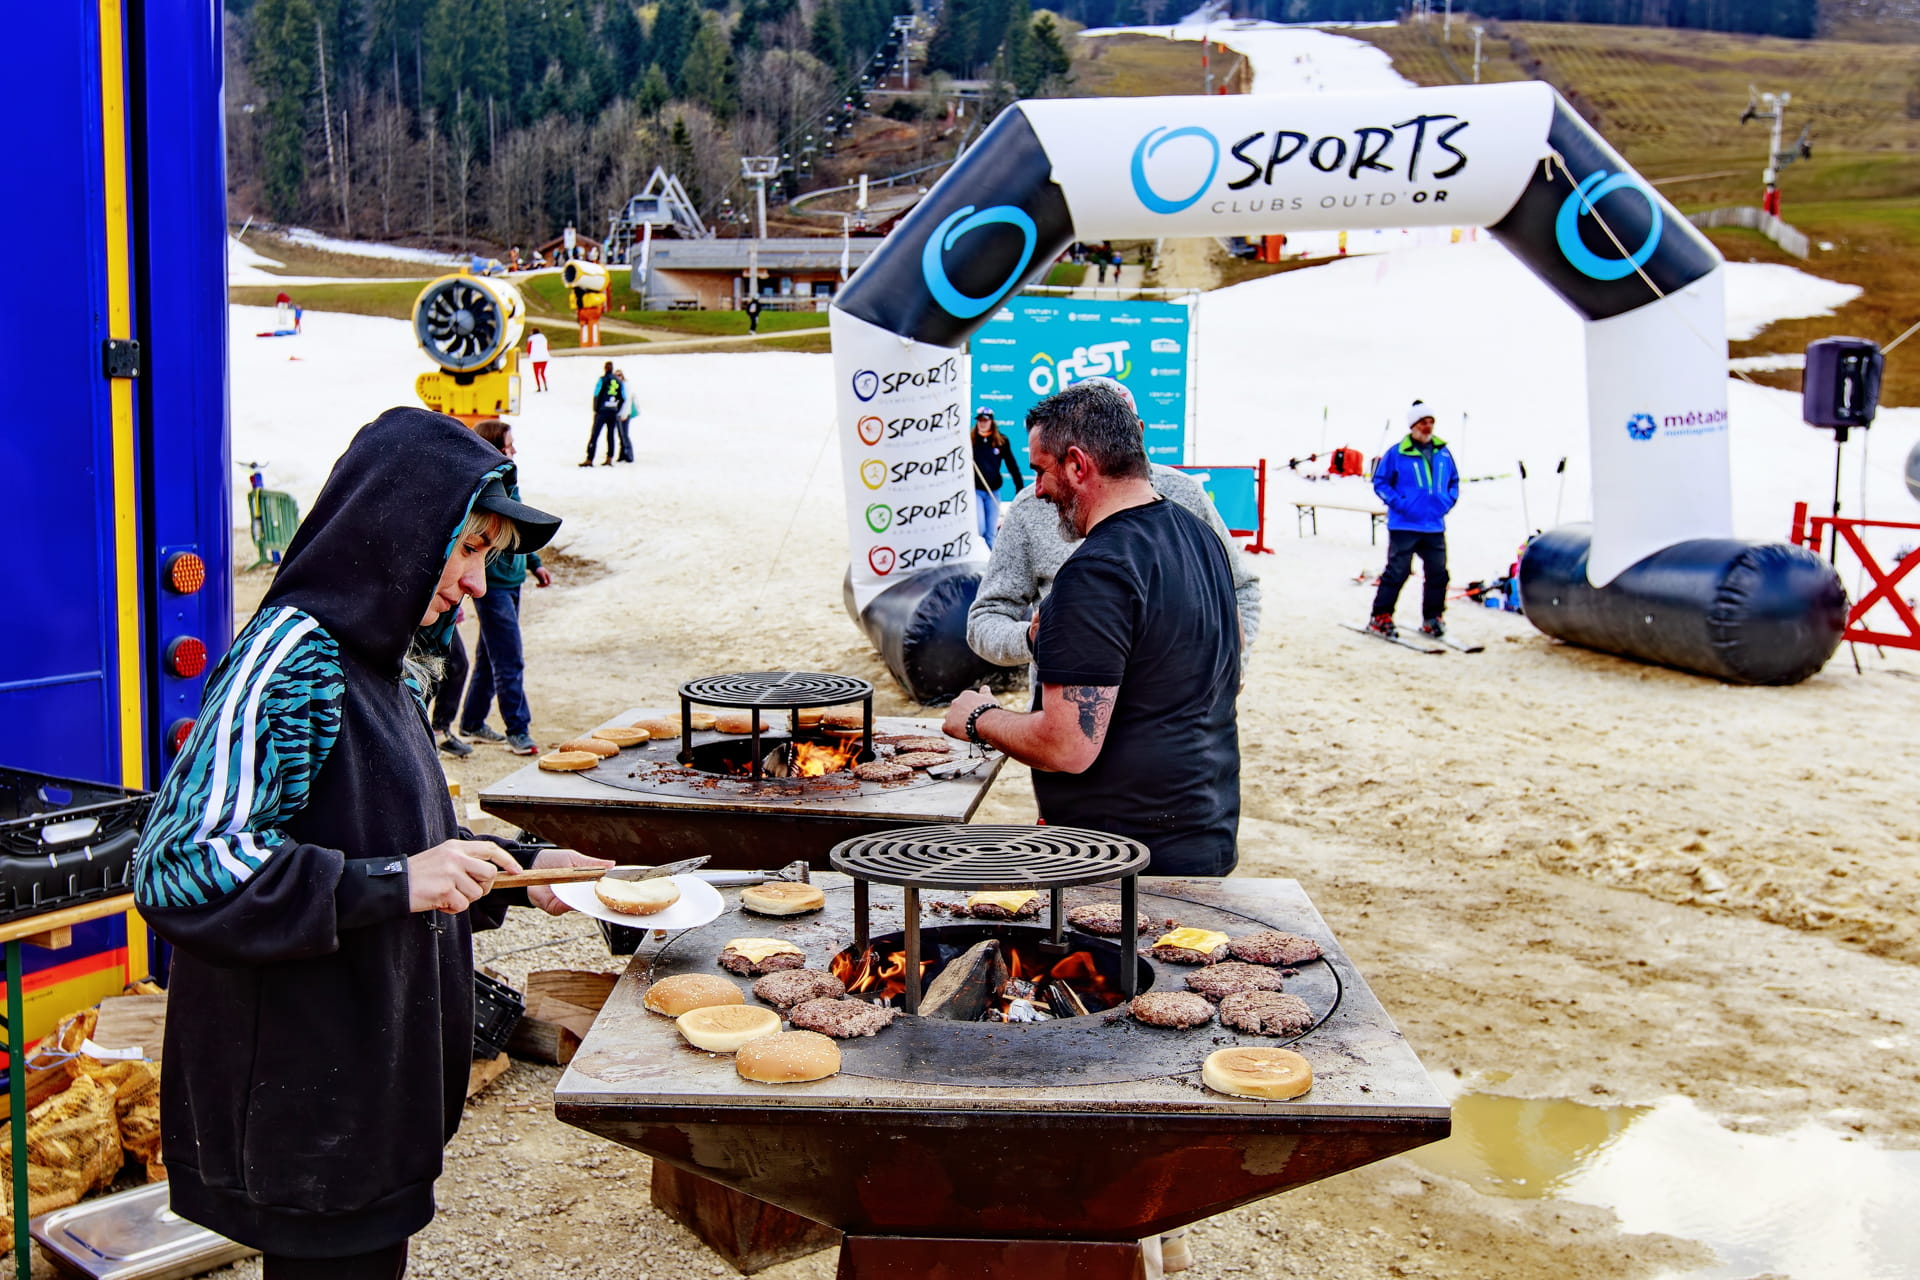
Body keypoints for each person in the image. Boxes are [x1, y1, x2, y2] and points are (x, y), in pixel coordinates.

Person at [132, 407, 609, 1278]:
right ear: (401, 526)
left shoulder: (385, 658)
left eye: (488, 557)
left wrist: (525, 868)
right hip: (304, 1103)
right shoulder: (294, 659)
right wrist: (393, 882)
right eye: (468, 548)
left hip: (368, 1092)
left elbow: (393, 835)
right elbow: (181, 867)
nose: (476, 582)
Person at [944, 380, 1242, 878]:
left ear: (1078, 465)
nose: (1038, 490)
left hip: (1121, 853)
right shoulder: (1198, 534)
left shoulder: (1094, 573)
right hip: (1204, 826)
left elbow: (1066, 746)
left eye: (1041, 470)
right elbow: (1226, 660)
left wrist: (979, 717)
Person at [968, 379, 1261, 690]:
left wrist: (1232, 667)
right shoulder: (1032, 506)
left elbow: (1240, 587)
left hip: (1172, 709)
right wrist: (1033, 639)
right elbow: (985, 619)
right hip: (1061, 711)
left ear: (1137, 432)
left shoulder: (1186, 495)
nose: (1105, 448)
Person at [460, 418, 553, 755]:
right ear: (492, 450)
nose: (514, 452)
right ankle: (518, 729)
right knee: (509, 656)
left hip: (513, 582)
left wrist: (534, 563)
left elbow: (520, 529)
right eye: (508, 447)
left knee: (490, 655)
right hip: (493, 586)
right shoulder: (485, 489)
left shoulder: (509, 482)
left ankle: (472, 721)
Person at [1367, 399, 1459, 640]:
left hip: (1434, 525)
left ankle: (1433, 618)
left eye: (1431, 422)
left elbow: (1454, 481)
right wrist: (1400, 503)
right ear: (1413, 426)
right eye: (1423, 422)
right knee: (1397, 571)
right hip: (1404, 525)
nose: (1428, 427)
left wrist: (1447, 501)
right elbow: (1380, 482)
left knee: (1438, 573)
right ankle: (1381, 617)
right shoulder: (1397, 453)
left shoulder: (1443, 452)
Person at [970, 409, 1023, 550]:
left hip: (993, 491)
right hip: (976, 491)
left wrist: (1019, 488)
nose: (982, 423)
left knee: (991, 532)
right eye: (980, 420)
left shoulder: (1001, 441)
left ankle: (990, 560)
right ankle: (980, 558)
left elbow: (1011, 465)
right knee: (980, 528)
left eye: (985, 420)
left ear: (991, 422)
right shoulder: (970, 440)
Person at [429, 603, 471, 757]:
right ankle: (416, 735)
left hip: (444, 609)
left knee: (457, 665)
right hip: (422, 608)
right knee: (426, 673)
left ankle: (439, 729)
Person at [583, 362, 624, 467]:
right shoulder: (619, 381)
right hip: (613, 410)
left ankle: (590, 458)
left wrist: (596, 409)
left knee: (595, 435)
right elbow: (623, 397)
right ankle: (609, 458)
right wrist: (617, 408)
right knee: (610, 436)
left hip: (602, 411)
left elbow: (596, 394)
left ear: (605, 369)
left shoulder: (602, 380)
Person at [614, 367, 636, 463]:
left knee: (625, 434)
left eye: (619, 375)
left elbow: (627, 401)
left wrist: (625, 414)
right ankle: (622, 454)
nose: (618, 377)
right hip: (618, 413)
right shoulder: (617, 386)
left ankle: (629, 454)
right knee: (621, 435)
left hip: (624, 414)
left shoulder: (626, 385)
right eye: (616, 375)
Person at [526, 329, 550, 393]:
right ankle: (545, 386)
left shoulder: (531, 339)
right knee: (542, 373)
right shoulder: (544, 338)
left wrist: (530, 355)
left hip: (535, 359)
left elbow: (529, 349)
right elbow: (548, 347)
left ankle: (539, 387)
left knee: (536, 374)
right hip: (544, 358)